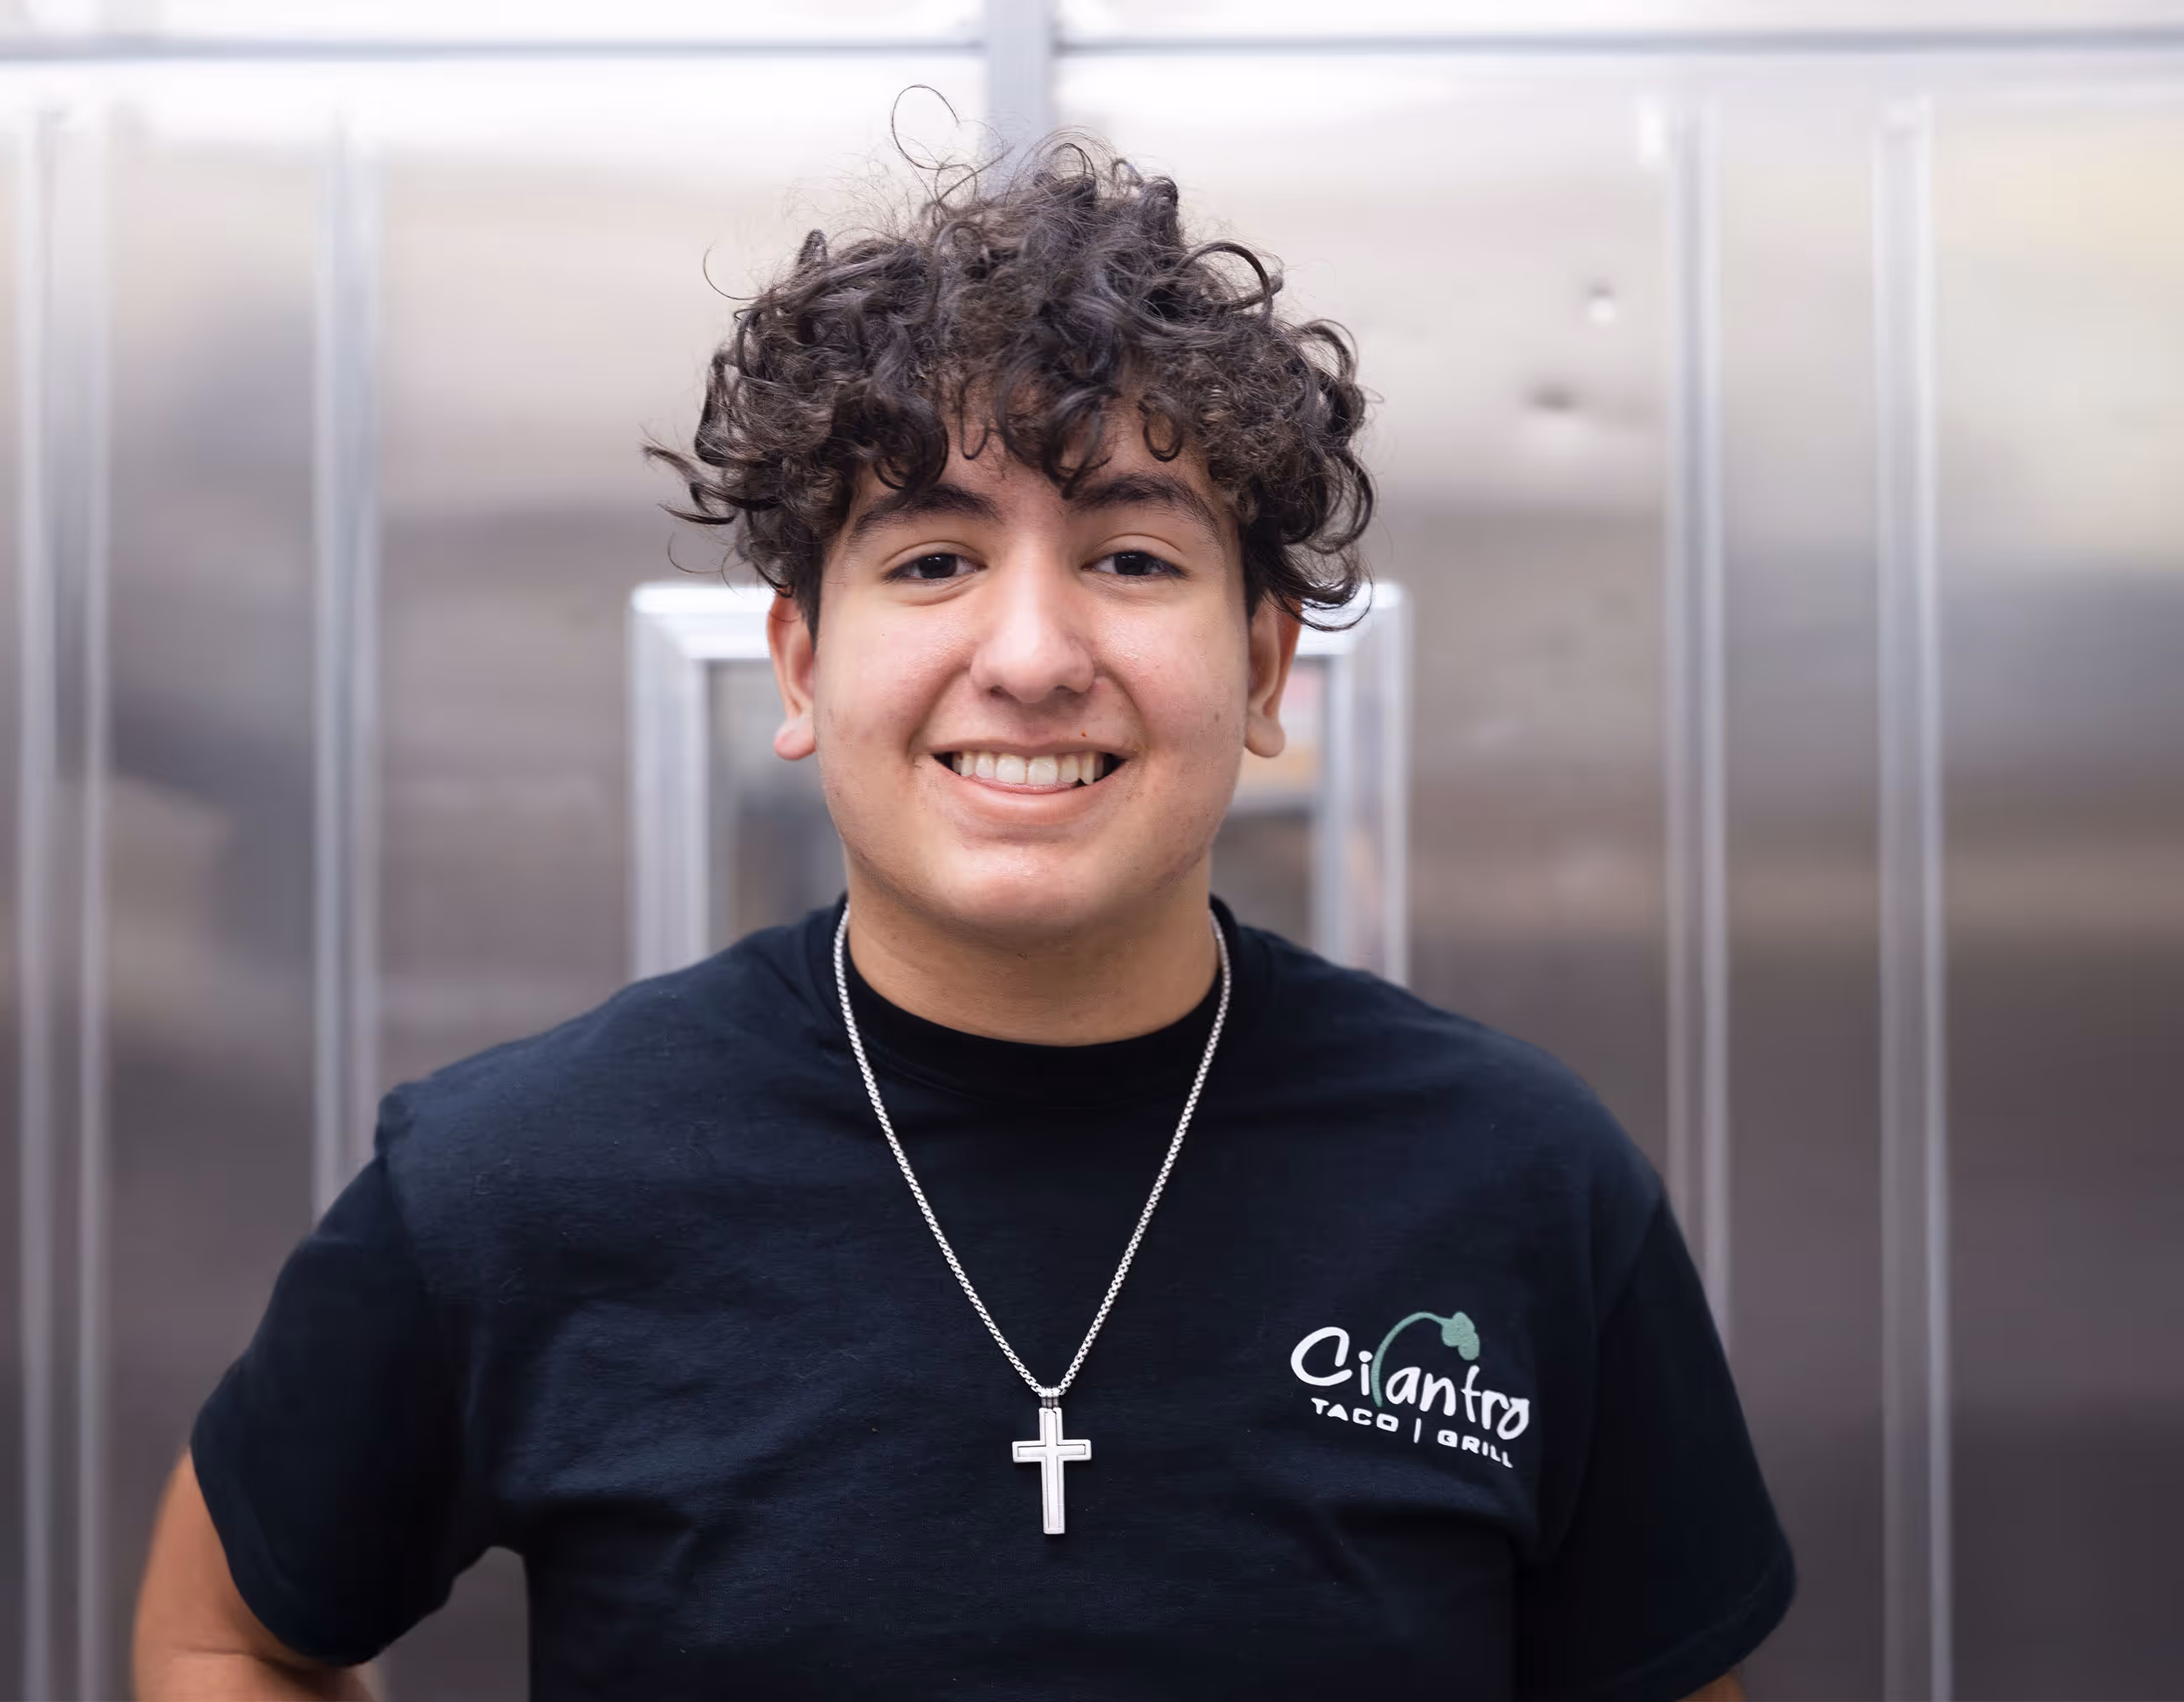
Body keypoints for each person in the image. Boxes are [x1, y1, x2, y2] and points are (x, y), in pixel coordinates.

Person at [133, 140, 1792, 1700]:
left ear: (1268, 667)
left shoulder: (1516, 1182)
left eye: (1132, 559)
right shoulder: (514, 1178)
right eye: (931, 559)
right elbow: (228, 1638)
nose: (1030, 654)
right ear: (799, 665)